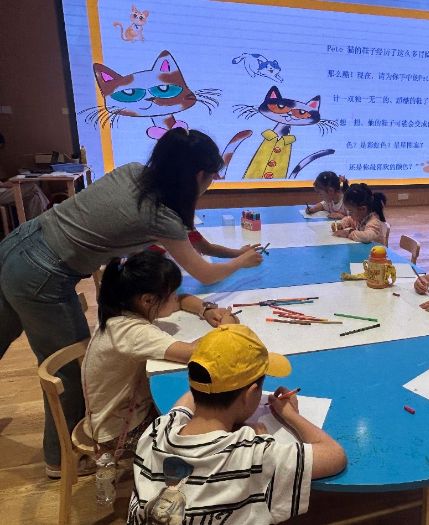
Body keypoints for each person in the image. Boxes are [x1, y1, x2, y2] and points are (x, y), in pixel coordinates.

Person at [0, 128, 262, 478]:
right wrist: (241, 262)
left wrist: (231, 254)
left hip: (19, 243)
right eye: (213, 175)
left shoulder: (136, 173)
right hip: (43, 273)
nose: (212, 183)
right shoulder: (160, 215)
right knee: (69, 372)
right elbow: (205, 272)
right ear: (199, 175)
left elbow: (191, 239)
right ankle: (60, 461)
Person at [127, 325, 347, 524]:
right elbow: (335, 456)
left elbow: (186, 402)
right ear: (251, 394)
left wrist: (217, 377)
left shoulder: (156, 431)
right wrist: (290, 415)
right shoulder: (253, 457)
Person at [81, 251, 238, 465]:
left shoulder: (119, 309)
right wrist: (228, 327)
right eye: (171, 293)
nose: (176, 297)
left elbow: (181, 301)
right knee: (205, 427)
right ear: (147, 300)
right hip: (120, 430)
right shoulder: (133, 332)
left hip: (115, 413)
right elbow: (195, 352)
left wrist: (206, 309)